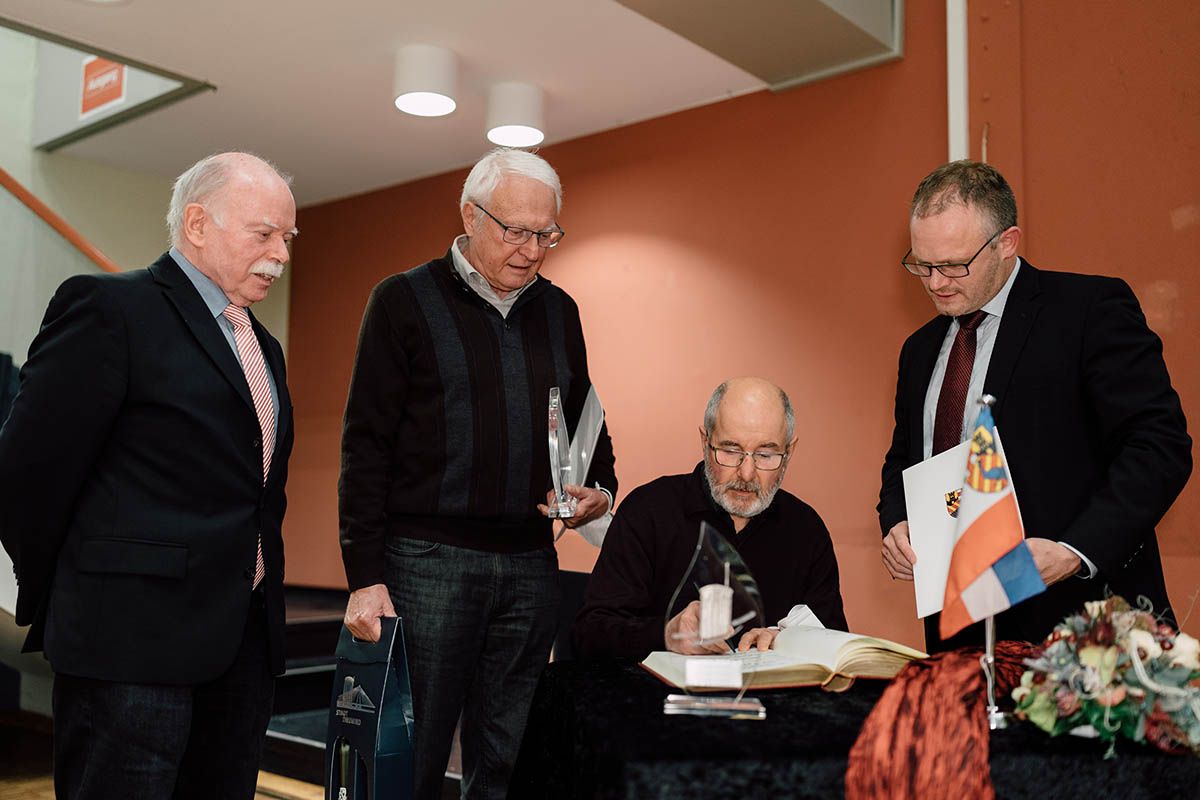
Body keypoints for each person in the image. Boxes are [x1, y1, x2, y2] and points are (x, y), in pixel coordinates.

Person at [0, 151, 297, 797]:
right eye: (264, 234)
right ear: (197, 224)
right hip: (127, 640)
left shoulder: (261, 344)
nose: (281, 253)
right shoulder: (110, 308)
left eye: (288, 237)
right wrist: (79, 590)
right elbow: (26, 470)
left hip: (242, 643)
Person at [338, 147, 616, 799]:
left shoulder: (560, 311)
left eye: (546, 233)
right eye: (514, 230)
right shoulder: (402, 301)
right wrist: (364, 576)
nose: (532, 249)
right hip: (426, 564)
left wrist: (599, 489)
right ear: (470, 214)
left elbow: (586, 418)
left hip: (529, 564)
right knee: (413, 753)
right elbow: (365, 444)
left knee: (510, 755)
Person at [878, 160, 1191, 651]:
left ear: (1007, 242)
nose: (936, 282)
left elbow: (1159, 448)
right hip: (957, 632)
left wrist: (1073, 551)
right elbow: (905, 458)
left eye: (955, 264)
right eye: (922, 264)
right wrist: (896, 521)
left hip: (1082, 623)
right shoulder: (918, 351)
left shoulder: (1089, 310)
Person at [572, 377, 847, 661]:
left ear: (789, 452)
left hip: (772, 702)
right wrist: (666, 634)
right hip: (655, 699)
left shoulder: (806, 529)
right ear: (705, 441)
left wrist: (789, 639)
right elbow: (589, 633)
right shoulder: (648, 511)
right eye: (730, 451)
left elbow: (835, 640)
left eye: (766, 455)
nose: (747, 473)